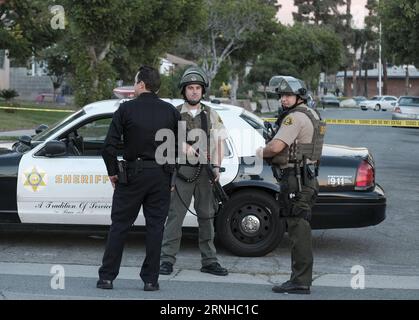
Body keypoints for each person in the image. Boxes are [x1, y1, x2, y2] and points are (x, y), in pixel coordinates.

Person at [97, 65, 181, 291]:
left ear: (142, 84)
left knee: (120, 226)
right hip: (161, 176)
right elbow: (178, 148)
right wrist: (171, 178)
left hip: (132, 175)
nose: (134, 87)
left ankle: (107, 277)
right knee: (156, 228)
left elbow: (109, 147)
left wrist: (113, 172)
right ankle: (151, 281)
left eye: (135, 83)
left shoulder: (126, 109)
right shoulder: (172, 111)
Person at [256, 76, 325, 294]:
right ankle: (300, 279)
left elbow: (276, 147)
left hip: (296, 180)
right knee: (300, 227)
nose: (284, 100)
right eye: (281, 96)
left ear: (299, 96)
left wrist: (259, 152)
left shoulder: (294, 118)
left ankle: (300, 281)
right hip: (307, 178)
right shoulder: (312, 114)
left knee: (298, 230)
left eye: (288, 95)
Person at [159, 66, 229, 276]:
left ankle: (209, 261)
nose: (194, 91)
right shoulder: (174, 113)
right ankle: (166, 260)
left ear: (203, 91)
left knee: (206, 217)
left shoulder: (211, 113)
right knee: (175, 217)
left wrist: (216, 166)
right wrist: (183, 147)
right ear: (184, 90)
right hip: (182, 172)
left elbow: (220, 142)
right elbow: (166, 142)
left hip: (205, 173)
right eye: (190, 87)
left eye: (198, 87)